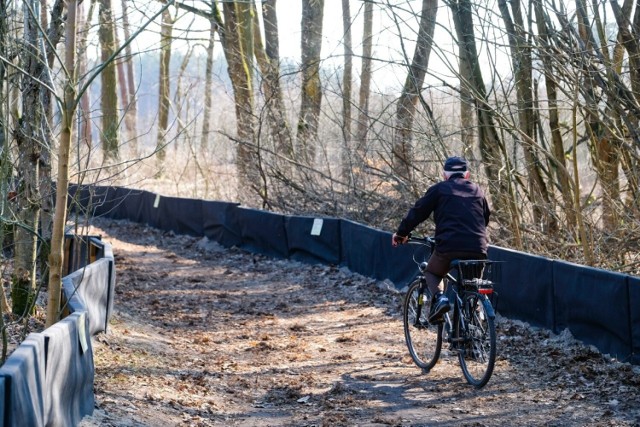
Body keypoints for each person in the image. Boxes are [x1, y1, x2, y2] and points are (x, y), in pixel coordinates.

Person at [392, 156, 490, 323]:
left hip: (449, 247)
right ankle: (476, 313)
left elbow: (418, 213)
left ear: (445, 175)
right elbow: (485, 218)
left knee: (431, 272)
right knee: (473, 284)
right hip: (478, 247)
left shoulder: (439, 189)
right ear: (467, 175)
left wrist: (401, 233)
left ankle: (441, 299)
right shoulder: (478, 190)